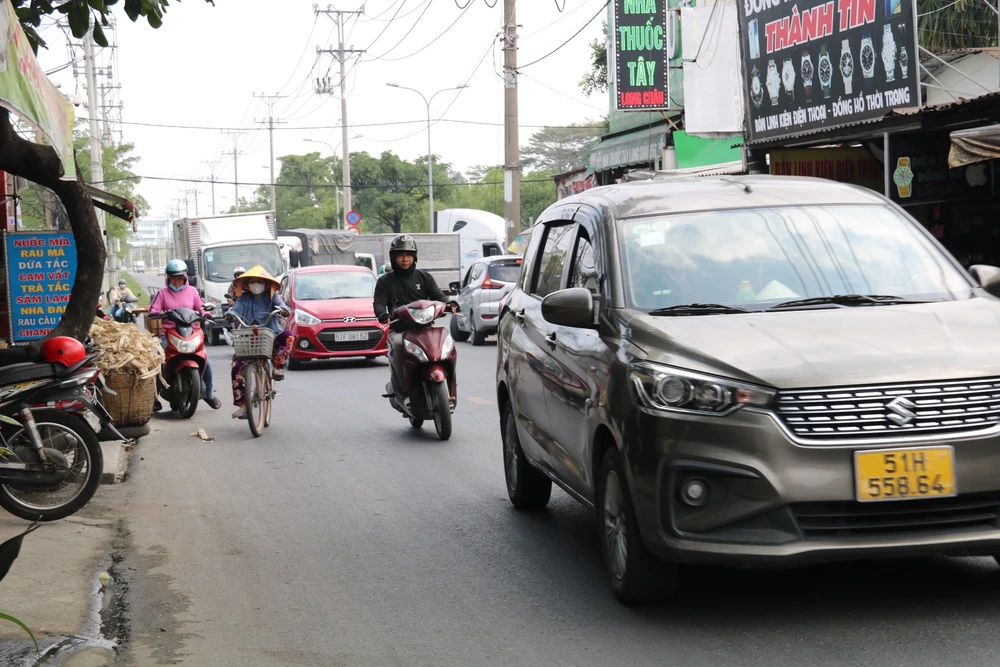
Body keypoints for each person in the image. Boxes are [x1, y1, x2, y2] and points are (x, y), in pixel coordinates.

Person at [373, 235, 457, 393]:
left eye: (409, 255)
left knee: (447, 341)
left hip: (425, 328)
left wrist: (449, 305)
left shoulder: (424, 277)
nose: (405, 259)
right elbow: (379, 302)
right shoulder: (385, 281)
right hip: (399, 330)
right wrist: (383, 314)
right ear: (393, 257)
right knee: (398, 346)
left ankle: (450, 383)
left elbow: (439, 297)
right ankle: (402, 388)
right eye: (400, 255)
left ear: (414, 257)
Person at [148, 259, 222, 412]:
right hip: (169, 333)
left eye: (180, 278)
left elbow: (201, 307)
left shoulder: (193, 292)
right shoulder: (162, 293)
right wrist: (158, 314)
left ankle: (208, 393)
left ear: (185, 278)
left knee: (206, 360)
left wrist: (206, 313)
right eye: (173, 279)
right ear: (168, 278)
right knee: (158, 362)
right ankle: (154, 398)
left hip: (192, 331)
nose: (177, 282)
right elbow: (153, 310)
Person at [226, 266, 293, 420]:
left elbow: (282, 306)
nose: (256, 284)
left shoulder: (272, 296)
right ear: (247, 284)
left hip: (271, 336)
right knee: (236, 367)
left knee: (288, 336)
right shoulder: (243, 299)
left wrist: (282, 310)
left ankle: (276, 368)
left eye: (259, 281)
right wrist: (230, 315)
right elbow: (235, 310)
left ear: (265, 283)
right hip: (248, 339)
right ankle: (243, 406)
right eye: (252, 282)